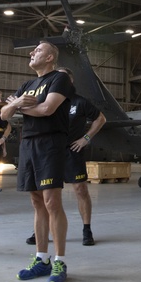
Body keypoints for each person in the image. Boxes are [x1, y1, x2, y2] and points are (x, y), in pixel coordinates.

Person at [1, 41, 74, 282]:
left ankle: (60, 261)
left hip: (50, 144)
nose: (32, 52)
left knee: (52, 201)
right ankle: (41, 259)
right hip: (28, 144)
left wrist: (18, 105)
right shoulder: (27, 85)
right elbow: (3, 114)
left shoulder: (59, 79)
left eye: (38, 50)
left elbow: (47, 109)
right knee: (36, 201)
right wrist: (17, 104)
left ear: (51, 56)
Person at [58, 67, 106, 246]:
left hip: (72, 152)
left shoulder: (79, 102)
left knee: (80, 190)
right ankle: (41, 228)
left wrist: (85, 138)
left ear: (70, 82)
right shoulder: (48, 100)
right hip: (52, 153)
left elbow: (100, 118)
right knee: (47, 194)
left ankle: (87, 229)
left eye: (64, 78)